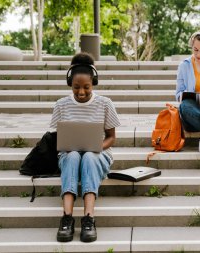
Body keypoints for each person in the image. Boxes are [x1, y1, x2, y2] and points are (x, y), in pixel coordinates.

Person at [50, 52, 120, 243]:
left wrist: (96, 147)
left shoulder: (105, 103)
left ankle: (89, 219)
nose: (81, 92)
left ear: (94, 83)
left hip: (98, 154)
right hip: (69, 154)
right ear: (69, 85)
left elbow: (112, 138)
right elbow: (59, 138)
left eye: (86, 88)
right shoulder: (61, 105)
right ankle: (67, 218)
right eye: (76, 88)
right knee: (72, 156)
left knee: (89, 156)